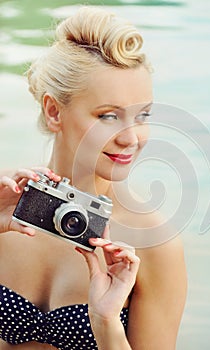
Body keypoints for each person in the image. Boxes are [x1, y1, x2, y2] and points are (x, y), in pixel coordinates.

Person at [0, 6, 187, 350]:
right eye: (109, 116)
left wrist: (105, 323)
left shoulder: (151, 243)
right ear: (54, 111)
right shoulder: (7, 207)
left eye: (142, 115)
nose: (131, 138)